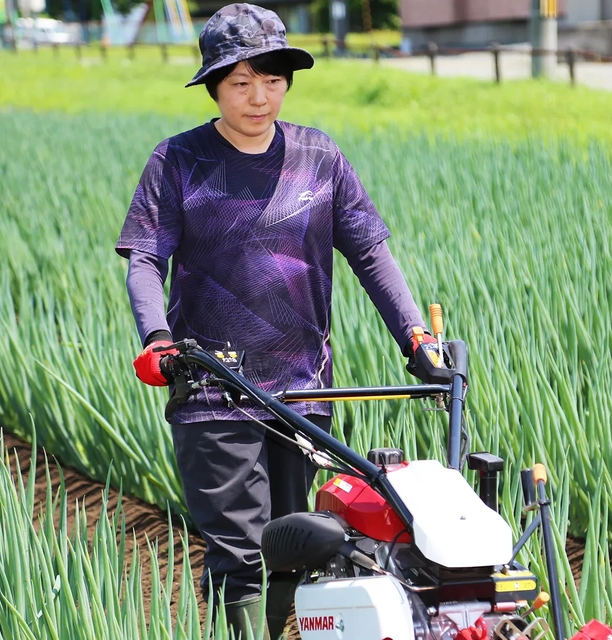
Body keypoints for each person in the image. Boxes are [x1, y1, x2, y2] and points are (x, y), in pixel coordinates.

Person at [115, 4, 433, 638]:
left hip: (303, 391)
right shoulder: (180, 161)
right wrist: (157, 338)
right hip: (211, 386)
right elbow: (145, 258)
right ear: (213, 85)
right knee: (240, 553)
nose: (259, 97)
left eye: (273, 80)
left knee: (296, 544)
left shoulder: (320, 156)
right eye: (240, 82)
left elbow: (369, 251)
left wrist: (417, 338)